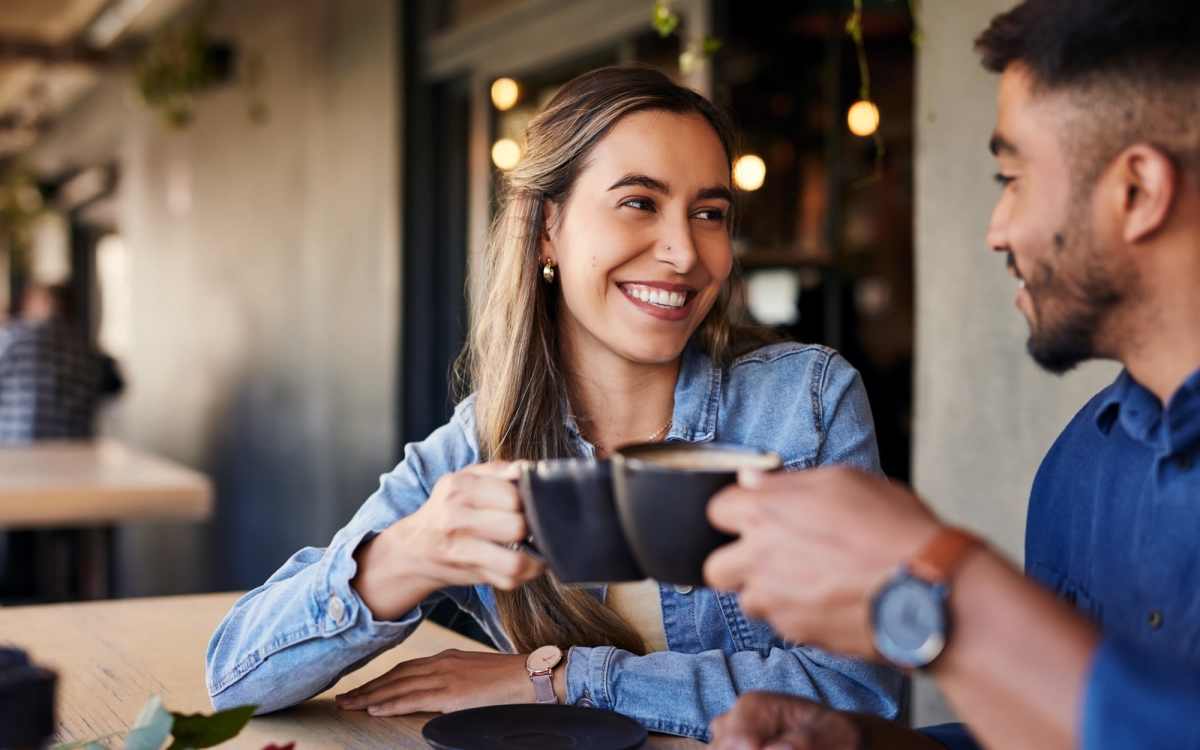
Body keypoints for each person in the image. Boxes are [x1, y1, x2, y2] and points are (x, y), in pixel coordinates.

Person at [204, 67, 902, 740]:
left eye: (709, 213)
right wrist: (407, 555)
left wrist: (562, 679)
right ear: (546, 229)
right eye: (639, 202)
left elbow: (856, 691)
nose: (684, 251)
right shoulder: (485, 436)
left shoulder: (803, 401)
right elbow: (235, 677)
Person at [702, 1, 1200, 749]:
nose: (997, 229)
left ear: (1136, 192)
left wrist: (940, 588)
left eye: (1013, 178)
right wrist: (865, 745)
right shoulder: (1081, 465)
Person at [0, 282, 122, 443]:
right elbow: (115, 386)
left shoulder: (12, 338)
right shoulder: (88, 348)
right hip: (75, 448)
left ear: (45, 302)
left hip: (16, 445)